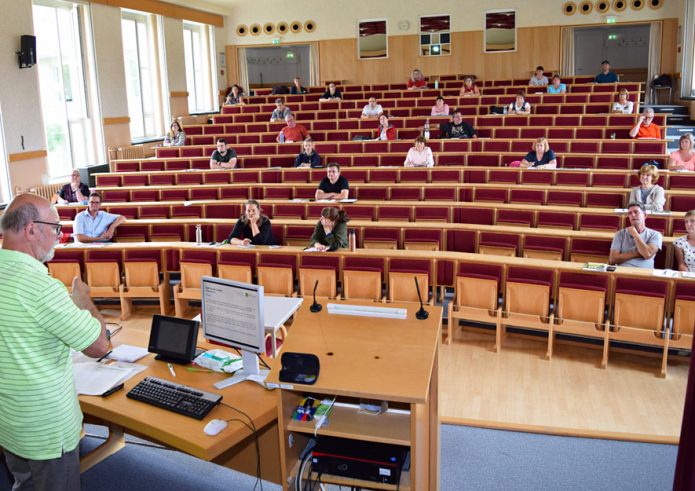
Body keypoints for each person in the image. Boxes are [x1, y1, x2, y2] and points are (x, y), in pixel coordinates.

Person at [0, 193, 110, 491]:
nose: (59, 236)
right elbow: (100, 346)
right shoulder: (41, 288)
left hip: (11, 420)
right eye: (55, 227)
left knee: (23, 483)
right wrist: (84, 300)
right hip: (46, 431)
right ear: (31, 229)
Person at [609, 202, 662, 269]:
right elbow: (612, 259)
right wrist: (639, 253)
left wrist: (635, 234)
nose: (633, 215)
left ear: (645, 215)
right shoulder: (620, 234)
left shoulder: (655, 234)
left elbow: (647, 254)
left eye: (636, 212)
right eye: (630, 213)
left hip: (645, 274)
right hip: (622, 272)